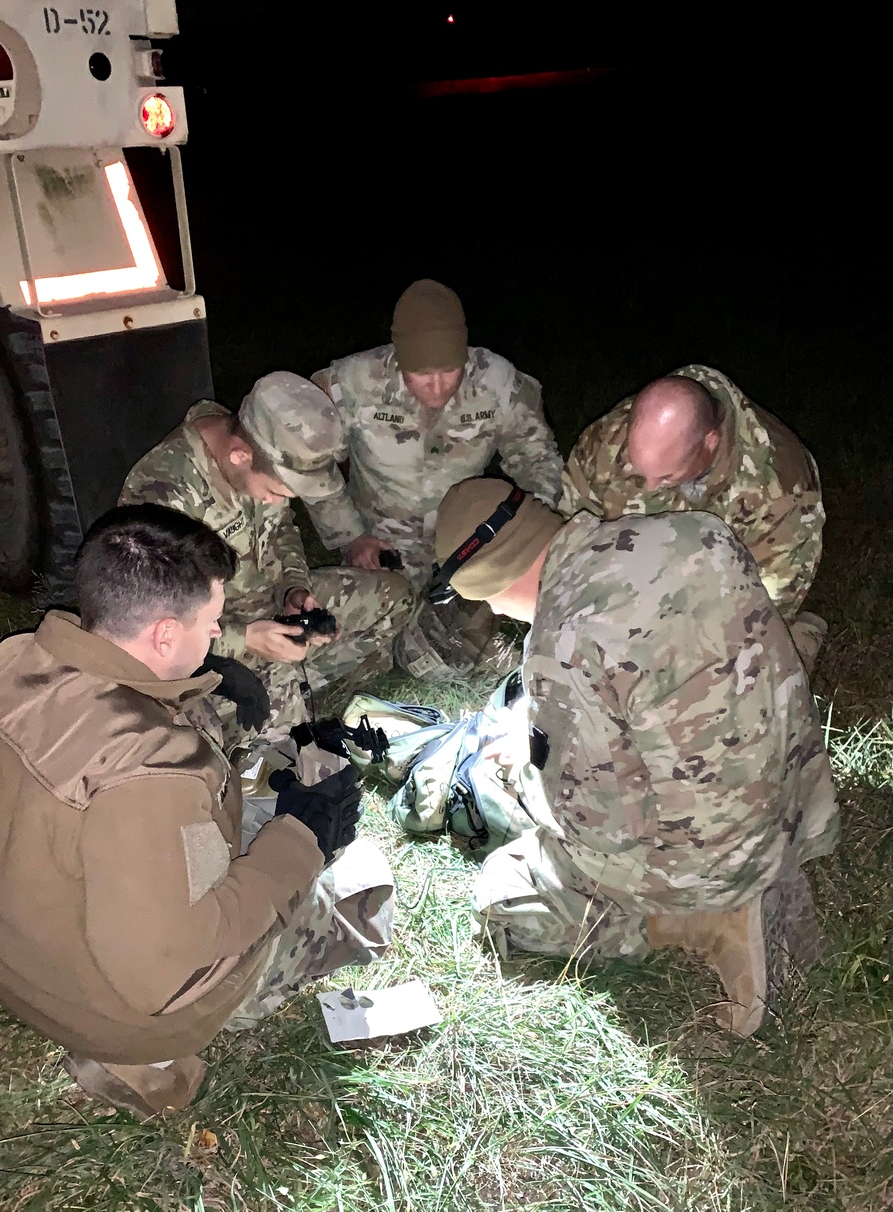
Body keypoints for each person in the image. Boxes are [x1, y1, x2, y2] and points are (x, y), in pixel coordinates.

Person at [0, 504, 395, 1118]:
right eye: (211, 622)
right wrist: (302, 838)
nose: (216, 635)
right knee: (348, 882)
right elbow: (166, 966)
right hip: (110, 1011)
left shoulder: (12, 665)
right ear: (163, 635)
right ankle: (153, 1049)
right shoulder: (153, 772)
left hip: (0, 940)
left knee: (252, 823)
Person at [433, 478, 839, 1035]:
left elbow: (603, 827)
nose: (500, 616)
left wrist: (526, 777)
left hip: (719, 857)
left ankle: (698, 922)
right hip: (796, 800)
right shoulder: (694, 529)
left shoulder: (560, 647)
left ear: (495, 585)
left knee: (500, 891)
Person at [119, 372, 415, 749]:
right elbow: (151, 631)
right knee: (287, 745)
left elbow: (282, 530)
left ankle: (290, 676)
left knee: (396, 597)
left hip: (272, 606)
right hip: (214, 636)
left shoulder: (264, 451)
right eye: (276, 492)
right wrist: (247, 639)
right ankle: (275, 692)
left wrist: (294, 588)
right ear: (239, 455)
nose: (279, 501)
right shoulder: (162, 494)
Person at [303, 278, 565, 677]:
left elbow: (537, 458)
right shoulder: (352, 382)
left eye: (450, 371)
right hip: (383, 544)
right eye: (422, 374)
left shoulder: (498, 382)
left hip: (467, 539)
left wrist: (526, 536)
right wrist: (349, 536)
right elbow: (310, 460)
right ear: (398, 357)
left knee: (468, 645)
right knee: (370, 648)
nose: (438, 387)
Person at [557, 365, 827, 668]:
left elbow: (765, 605)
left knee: (740, 680)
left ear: (709, 443)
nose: (649, 486)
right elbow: (572, 526)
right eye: (638, 466)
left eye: (666, 475)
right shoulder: (611, 436)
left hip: (718, 599)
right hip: (636, 581)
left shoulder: (782, 492)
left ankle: (803, 637)